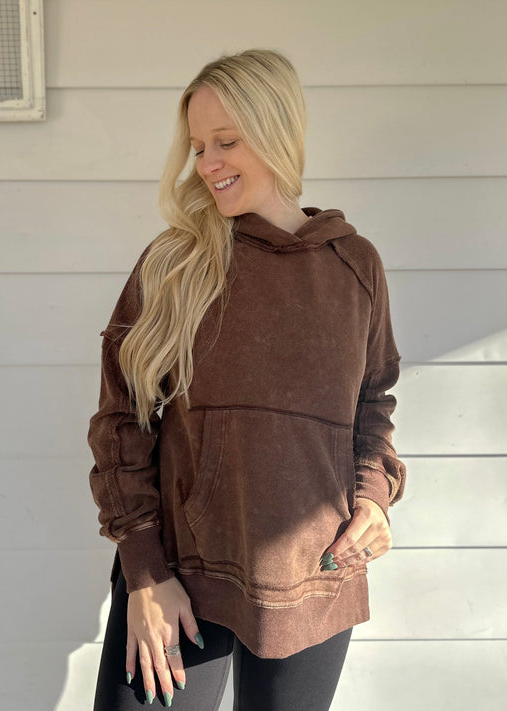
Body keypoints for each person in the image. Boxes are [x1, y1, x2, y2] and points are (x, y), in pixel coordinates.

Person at [87, 48, 406, 710]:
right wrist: (144, 571)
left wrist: (373, 497)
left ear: (276, 131)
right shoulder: (175, 263)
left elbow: (371, 401)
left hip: (315, 575)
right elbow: (121, 420)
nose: (207, 163)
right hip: (180, 577)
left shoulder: (354, 265)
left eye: (225, 141)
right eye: (197, 147)